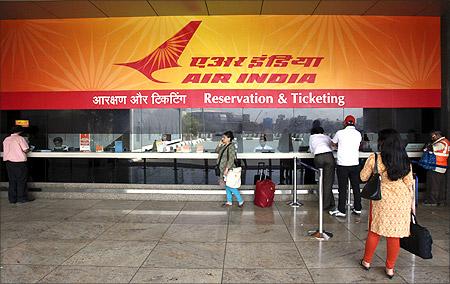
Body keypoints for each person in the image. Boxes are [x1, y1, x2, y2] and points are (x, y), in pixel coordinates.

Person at [359, 129, 414, 279]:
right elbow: (409, 183)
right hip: (402, 199)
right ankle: (390, 268)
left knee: (375, 230)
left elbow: (363, 177)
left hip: (382, 198)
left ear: (382, 142)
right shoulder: (404, 159)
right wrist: (412, 205)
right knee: (394, 235)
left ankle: (367, 262)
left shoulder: (375, 158)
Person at [329, 115, 362, 217]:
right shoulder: (358, 134)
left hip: (343, 164)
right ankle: (358, 208)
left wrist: (339, 146)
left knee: (342, 188)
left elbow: (332, 144)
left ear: (344, 123)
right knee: (356, 187)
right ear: (354, 123)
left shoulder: (340, 133)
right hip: (355, 164)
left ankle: (341, 210)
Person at [2, 126, 34, 203]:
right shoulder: (20, 138)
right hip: (19, 163)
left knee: (12, 181)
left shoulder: (6, 139)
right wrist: (30, 148)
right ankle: (21, 198)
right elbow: (25, 150)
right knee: (21, 181)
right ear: (20, 131)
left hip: (9, 163)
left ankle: (12, 199)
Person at [309, 127, 335, 210]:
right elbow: (333, 147)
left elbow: (312, 150)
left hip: (319, 157)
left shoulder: (312, 137)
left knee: (322, 180)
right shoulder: (326, 137)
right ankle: (326, 204)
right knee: (328, 180)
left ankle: (330, 202)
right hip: (329, 157)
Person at [216, 131, 244, 208]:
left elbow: (231, 159)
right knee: (227, 186)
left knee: (231, 186)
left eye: (224, 137)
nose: (222, 138)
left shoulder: (231, 147)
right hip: (223, 169)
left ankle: (240, 200)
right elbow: (217, 151)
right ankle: (229, 201)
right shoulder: (224, 145)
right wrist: (220, 144)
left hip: (229, 170)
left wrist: (227, 169)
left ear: (229, 138)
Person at [424, 130, 449, 206]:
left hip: (435, 166)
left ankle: (432, 201)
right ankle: (440, 201)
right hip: (441, 166)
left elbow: (431, 148)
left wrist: (427, 147)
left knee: (433, 185)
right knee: (440, 185)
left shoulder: (441, 143)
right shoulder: (446, 142)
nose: (432, 138)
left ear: (437, 135)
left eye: (433, 136)